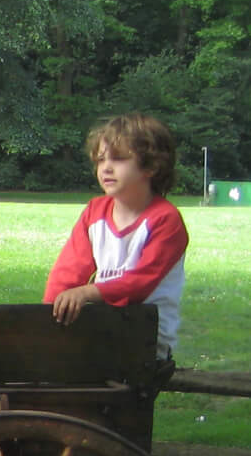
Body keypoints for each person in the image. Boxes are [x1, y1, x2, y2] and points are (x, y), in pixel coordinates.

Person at [44, 113, 188, 359]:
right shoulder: (94, 211)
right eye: (100, 160)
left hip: (146, 337)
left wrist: (86, 293)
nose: (106, 168)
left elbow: (139, 284)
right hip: (101, 326)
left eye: (119, 159)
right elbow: (69, 271)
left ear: (151, 166)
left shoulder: (166, 220)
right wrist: (44, 319)